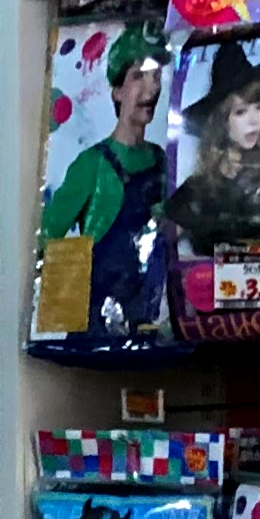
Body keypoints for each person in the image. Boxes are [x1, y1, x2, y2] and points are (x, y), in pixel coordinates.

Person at [38, 25, 171, 339]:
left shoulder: (161, 160)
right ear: (117, 91)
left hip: (148, 318)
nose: (151, 88)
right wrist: (65, 314)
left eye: (155, 76)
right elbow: (48, 236)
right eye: (138, 76)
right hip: (96, 325)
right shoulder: (92, 164)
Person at [162, 41, 260, 258]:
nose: (254, 120)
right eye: (240, 111)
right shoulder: (198, 190)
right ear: (221, 122)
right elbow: (156, 244)